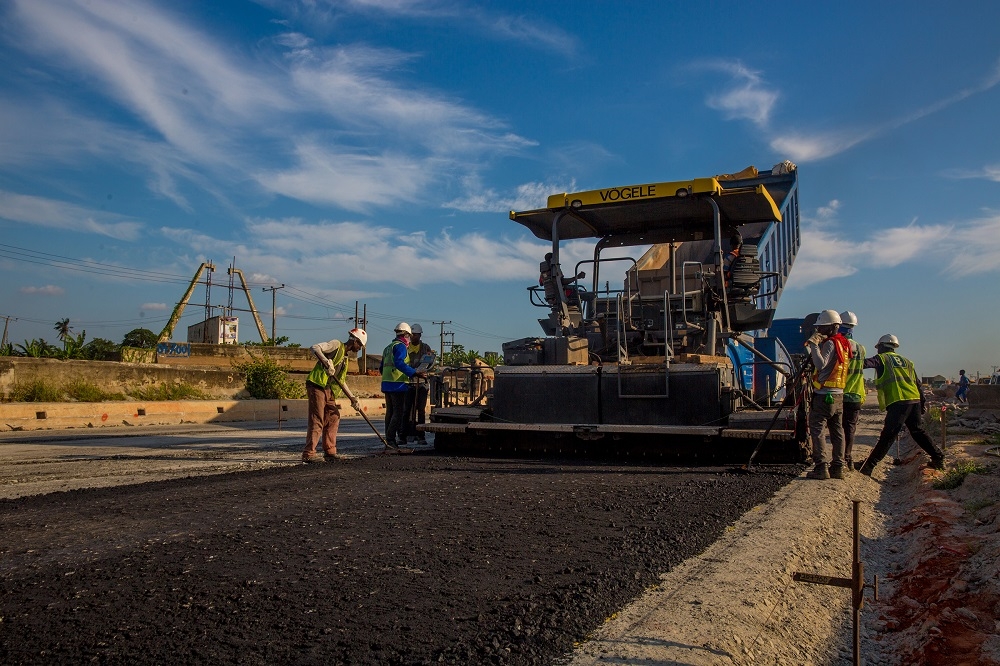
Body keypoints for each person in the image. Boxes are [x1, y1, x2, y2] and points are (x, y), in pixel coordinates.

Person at [857, 334, 945, 476]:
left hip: (899, 401)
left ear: (881, 347)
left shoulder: (882, 359)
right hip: (914, 399)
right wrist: (922, 402)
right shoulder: (907, 361)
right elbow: (917, 384)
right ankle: (938, 457)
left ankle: (868, 466)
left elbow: (862, 364)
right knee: (917, 431)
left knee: (889, 434)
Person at [303, 328, 367, 463]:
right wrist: (326, 362)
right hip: (317, 385)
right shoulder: (336, 345)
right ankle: (309, 453)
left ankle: (330, 450)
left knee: (333, 416)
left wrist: (353, 398)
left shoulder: (345, 358)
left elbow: (341, 381)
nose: (360, 348)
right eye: (360, 345)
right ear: (354, 341)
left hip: (328, 389)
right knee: (318, 419)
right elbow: (314, 347)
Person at [804, 309, 852, 480]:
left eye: (822, 327)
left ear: (832, 327)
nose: (818, 331)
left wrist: (814, 345)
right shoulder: (844, 343)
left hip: (824, 395)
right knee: (837, 431)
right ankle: (838, 467)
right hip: (838, 395)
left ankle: (821, 467)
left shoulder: (831, 343)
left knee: (817, 430)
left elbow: (821, 364)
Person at [380, 322, 427, 447]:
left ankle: (388, 439)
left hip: (387, 384)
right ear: (406, 334)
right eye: (409, 336)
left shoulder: (388, 347)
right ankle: (390, 440)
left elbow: (381, 368)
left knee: (389, 413)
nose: (409, 338)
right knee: (398, 413)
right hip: (397, 385)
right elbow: (399, 363)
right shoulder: (401, 347)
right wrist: (414, 373)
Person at [839, 311, 866, 470]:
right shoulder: (862, 349)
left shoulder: (837, 344)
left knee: (836, 427)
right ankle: (848, 458)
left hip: (839, 392)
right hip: (856, 394)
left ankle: (838, 461)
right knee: (850, 427)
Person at [404, 323, 435, 444]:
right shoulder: (406, 348)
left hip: (421, 383)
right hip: (409, 383)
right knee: (407, 410)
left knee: (420, 410)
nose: (413, 337)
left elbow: (431, 362)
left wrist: (425, 370)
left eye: (415, 335)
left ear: (420, 335)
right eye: (411, 335)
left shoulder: (425, 348)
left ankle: (421, 435)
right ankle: (405, 434)